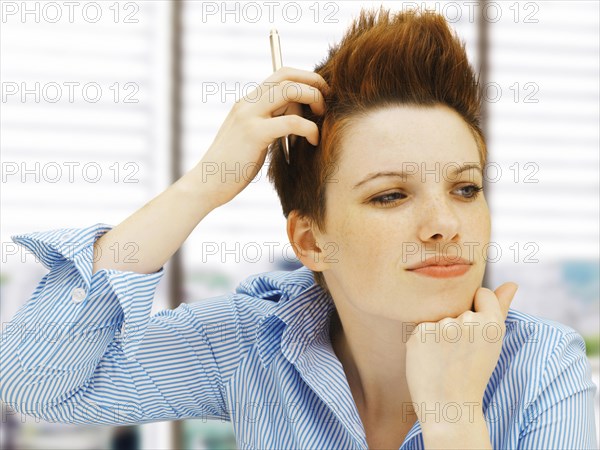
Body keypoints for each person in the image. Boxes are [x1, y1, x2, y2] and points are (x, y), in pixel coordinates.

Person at [1, 6, 597, 450]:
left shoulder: (541, 366)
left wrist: (453, 417)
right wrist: (203, 185)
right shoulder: (252, 344)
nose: (446, 224)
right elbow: (36, 381)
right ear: (311, 242)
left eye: (465, 188)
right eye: (390, 195)